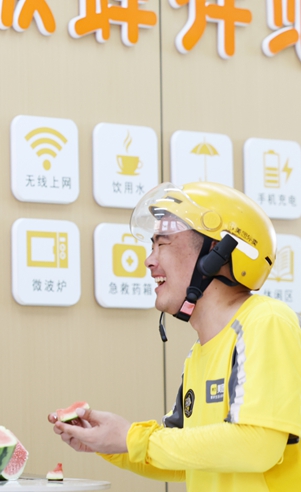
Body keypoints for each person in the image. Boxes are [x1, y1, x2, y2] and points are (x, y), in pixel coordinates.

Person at [49, 182, 301, 491]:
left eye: (163, 244)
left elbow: (258, 447)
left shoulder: (266, 321)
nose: (149, 260)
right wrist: (107, 442)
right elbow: (183, 457)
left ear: (218, 252)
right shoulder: (199, 354)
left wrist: (131, 438)